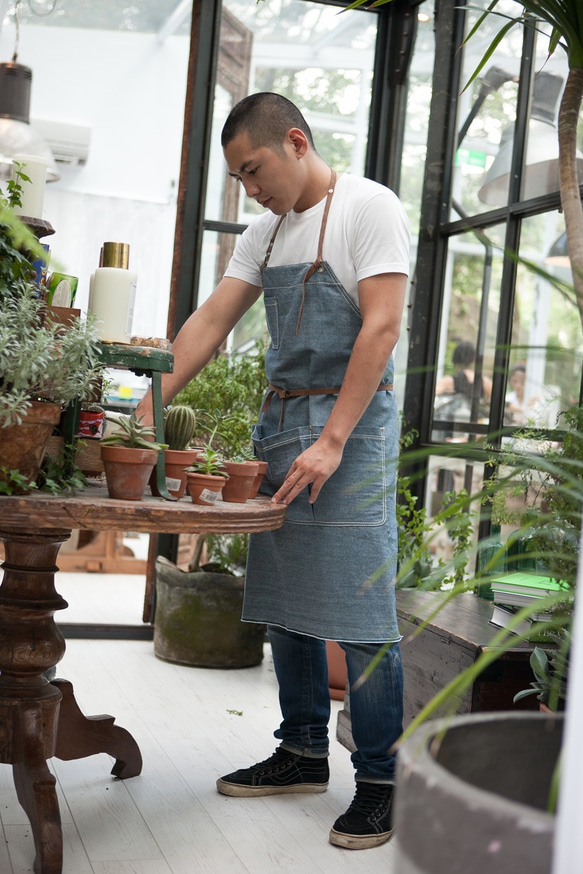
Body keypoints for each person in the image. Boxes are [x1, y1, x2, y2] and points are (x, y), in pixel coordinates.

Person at [136, 92, 410, 850]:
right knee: (285, 598)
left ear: (295, 142)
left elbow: (380, 328)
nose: (249, 188)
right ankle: (300, 751)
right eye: (237, 177)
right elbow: (211, 322)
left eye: (252, 169)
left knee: (361, 612)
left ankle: (382, 780)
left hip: (352, 429)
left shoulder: (367, 208)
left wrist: (333, 440)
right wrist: (145, 412)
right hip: (281, 424)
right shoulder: (262, 232)